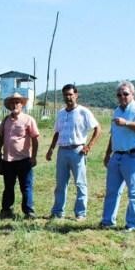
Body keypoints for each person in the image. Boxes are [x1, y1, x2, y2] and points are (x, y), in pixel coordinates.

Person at [101, 80, 135, 231]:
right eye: (119, 95)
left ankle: (132, 224)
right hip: (117, 156)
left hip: (133, 156)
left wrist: (127, 123)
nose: (122, 97)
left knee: (134, 192)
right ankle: (107, 221)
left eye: (125, 94)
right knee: (112, 191)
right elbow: (113, 135)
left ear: (133, 94)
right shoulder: (117, 111)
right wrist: (108, 154)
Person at [45, 84, 101, 220]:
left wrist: (89, 146)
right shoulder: (61, 113)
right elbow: (57, 132)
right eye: (65, 95)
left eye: (70, 94)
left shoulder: (83, 112)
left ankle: (80, 213)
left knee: (80, 183)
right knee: (60, 184)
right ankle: (58, 212)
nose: (68, 97)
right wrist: (51, 149)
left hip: (77, 151)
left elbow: (97, 128)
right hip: (62, 151)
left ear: (76, 95)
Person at [0, 92, 40, 219]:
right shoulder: (6, 120)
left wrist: (34, 157)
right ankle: (6, 209)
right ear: (9, 105)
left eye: (17, 102)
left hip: (24, 160)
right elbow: (1, 138)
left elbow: (35, 139)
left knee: (26, 186)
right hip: (8, 160)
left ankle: (29, 211)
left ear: (22, 105)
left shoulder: (29, 119)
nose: (15, 105)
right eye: (12, 103)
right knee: (8, 186)